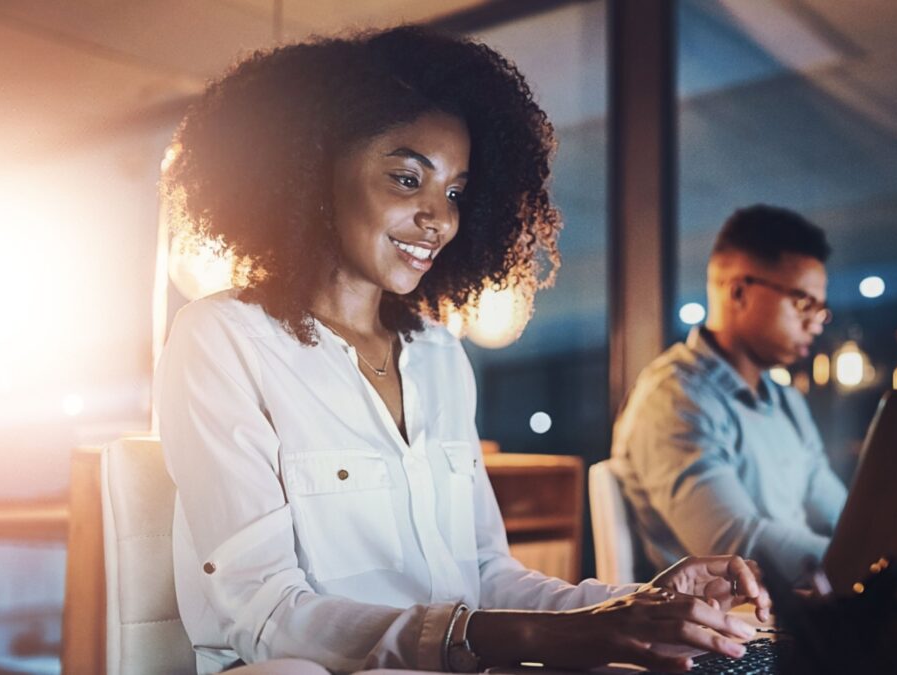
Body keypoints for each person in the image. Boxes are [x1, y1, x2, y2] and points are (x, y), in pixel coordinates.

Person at [156, 27, 770, 675]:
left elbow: (483, 573)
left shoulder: (438, 356)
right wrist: (521, 640)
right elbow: (268, 613)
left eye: (454, 192)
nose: (440, 219)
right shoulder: (222, 338)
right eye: (406, 178)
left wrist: (640, 603)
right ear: (309, 171)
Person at [610, 205, 847, 583]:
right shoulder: (674, 398)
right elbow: (737, 545)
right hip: (719, 628)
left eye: (820, 309)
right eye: (803, 303)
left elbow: (839, 514)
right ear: (738, 292)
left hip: (796, 612)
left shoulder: (785, 400)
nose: (814, 324)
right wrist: (867, 560)